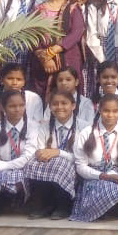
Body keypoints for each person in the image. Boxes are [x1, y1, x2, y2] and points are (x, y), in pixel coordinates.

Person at [69, 94, 118, 222]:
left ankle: (113, 209)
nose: (110, 115)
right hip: (95, 174)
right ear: (99, 109)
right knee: (111, 190)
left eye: (115, 111)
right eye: (106, 111)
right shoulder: (87, 133)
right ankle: (113, 210)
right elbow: (80, 166)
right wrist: (103, 176)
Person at [25, 89, 85, 220]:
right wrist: (41, 153)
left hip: (74, 166)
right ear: (50, 107)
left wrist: (58, 152)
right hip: (49, 164)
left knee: (60, 164)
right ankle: (44, 204)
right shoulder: (45, 126)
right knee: (33, 163)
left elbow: (81, 158)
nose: (59, 107)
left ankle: (63, 205)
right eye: (55, 104)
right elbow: (40, 148)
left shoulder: (83, 127)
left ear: (73, 105)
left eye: (64, 103)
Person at [0, 89, 36, 213]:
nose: (18, 109)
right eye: (12, 106)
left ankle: (19, 200)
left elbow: (28, 157)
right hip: (1, 168)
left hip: (23, 167)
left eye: (21, 105)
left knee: (16, 175)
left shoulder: (32, 126)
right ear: (3, 108)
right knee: (0, 175)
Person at [31, 0, 86, 97]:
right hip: (44, 63)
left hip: (68, 58)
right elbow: (32, 36)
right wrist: (45, 58)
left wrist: (54, 50)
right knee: (45, 97)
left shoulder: (73, 7)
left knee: (70, 96)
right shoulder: (38, 9)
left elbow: (77, 32)